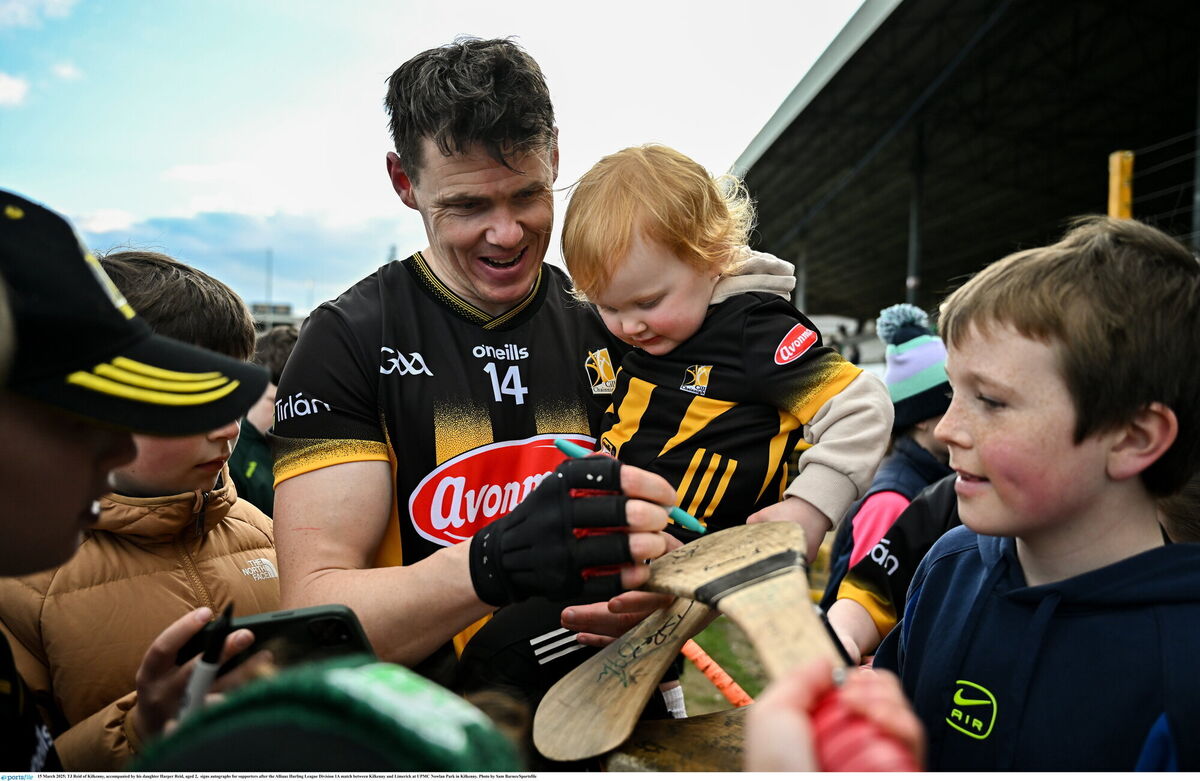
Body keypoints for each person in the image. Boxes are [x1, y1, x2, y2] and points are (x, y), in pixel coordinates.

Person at [270, 37, 676, 698]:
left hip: (616, 721)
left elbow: (682, 531)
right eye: (467, 207)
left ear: (555, 157)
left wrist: (665, 593)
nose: (508, 232)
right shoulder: (348, 339)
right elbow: (314, 620)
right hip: (431, 740)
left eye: (528, 195)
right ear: (405, 182)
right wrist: (495, 561)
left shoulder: (611, 320)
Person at [873, 216, 1200, 770]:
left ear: (1131, 438)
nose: (948, 428)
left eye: (992, 401)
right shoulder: (947, 566)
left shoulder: (1185, 669)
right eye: (954, 391)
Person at [0, 190, 268, 770]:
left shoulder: (266, 531)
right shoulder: (23, 588)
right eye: (158, 405)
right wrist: (139, 733)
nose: (226, 429)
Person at [561, 144, 892, 557]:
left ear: (712, 255)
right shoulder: (667, 329)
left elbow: (861, 404)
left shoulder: (753, 332)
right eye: (607, 306)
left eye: (647, 303)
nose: (628, 326)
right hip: (617, 537)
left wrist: (809, 509)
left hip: (690, 555)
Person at [819, 303, 952, 661]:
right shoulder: (895, 499)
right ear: (921, 418)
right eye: (952, 400)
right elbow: (865, 599)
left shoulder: (939, 485)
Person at [230, 324, 298, 515]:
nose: (286, 413)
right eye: (275, 402)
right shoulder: (229, 455)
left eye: (298, 404)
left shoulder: (311, 446)